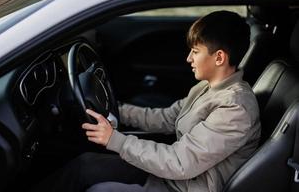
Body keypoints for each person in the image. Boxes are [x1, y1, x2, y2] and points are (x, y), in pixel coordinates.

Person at [33, 10, 261, 192]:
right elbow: (167, 118)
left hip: (181, 185)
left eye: (195, 51)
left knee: (98, 187)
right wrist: (116, 110)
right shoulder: (208, 87)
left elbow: (181, 162)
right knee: (85, 165)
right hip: (171, 177)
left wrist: (116, 141)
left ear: (219, 57)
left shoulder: (234, 107)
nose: (188, 58)